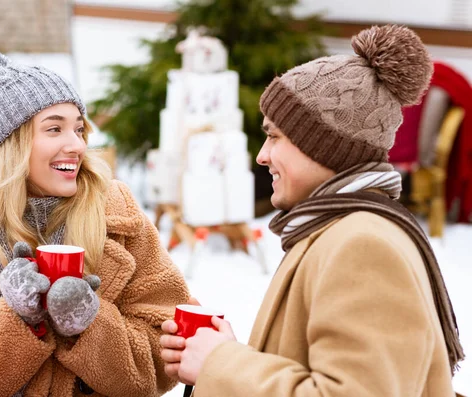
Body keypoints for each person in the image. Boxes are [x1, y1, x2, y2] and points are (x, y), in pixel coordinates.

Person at [160, 24, 464, 396]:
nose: (262, 155)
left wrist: (221, 363)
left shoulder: (363, 247)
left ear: (323, 147)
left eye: (274, 136)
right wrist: (228, 357)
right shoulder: (335, 228)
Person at [0, 51, 189, 397]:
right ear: (12, 143)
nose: (77, 145)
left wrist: (87, 325)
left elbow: (167, 356)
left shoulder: (116, 214)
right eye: (54, 128)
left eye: (79, 129)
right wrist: (19, 320)